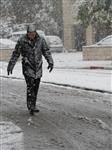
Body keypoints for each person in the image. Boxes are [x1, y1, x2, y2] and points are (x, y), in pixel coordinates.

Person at [7, 24, 54, 115]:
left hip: (38, 67)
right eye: (29, 33)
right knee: (30, 86)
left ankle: (33, 104)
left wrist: (50, 62)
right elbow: (16, 54)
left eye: (33, 33)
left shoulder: (41, 40)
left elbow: (46, 51)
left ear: (35, 33)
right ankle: (30, 105)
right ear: (27, 33)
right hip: (27, 66)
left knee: (36, 87)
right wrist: (11, 65)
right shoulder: (22, 41)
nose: (31, 35)